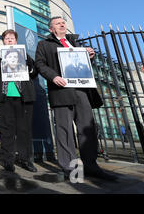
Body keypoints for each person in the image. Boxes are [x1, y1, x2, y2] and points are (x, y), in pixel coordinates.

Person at [35, 16, 117, 181]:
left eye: (63, 22)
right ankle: (71, 169)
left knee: (87, 129)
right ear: (51, 29)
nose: (62, 24)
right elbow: (40, 64)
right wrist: (53, 77)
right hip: (61, 91)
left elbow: (83, 65)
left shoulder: (76, 43)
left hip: (82, 91)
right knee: (64, 131)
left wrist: (90, 56)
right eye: (58, 23)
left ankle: (91, 166)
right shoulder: (43, 44)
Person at [0, 29, 38, 173]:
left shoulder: (23, 54)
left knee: (24, 130)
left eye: (12, 38)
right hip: (4, 97)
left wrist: (29, 65)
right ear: (3, 41)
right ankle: (8, 160)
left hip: (23, 97)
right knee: (6, 130)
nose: (9, 40)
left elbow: (34, 74)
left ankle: (26, 160)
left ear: (16, 40)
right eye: (7, 38)